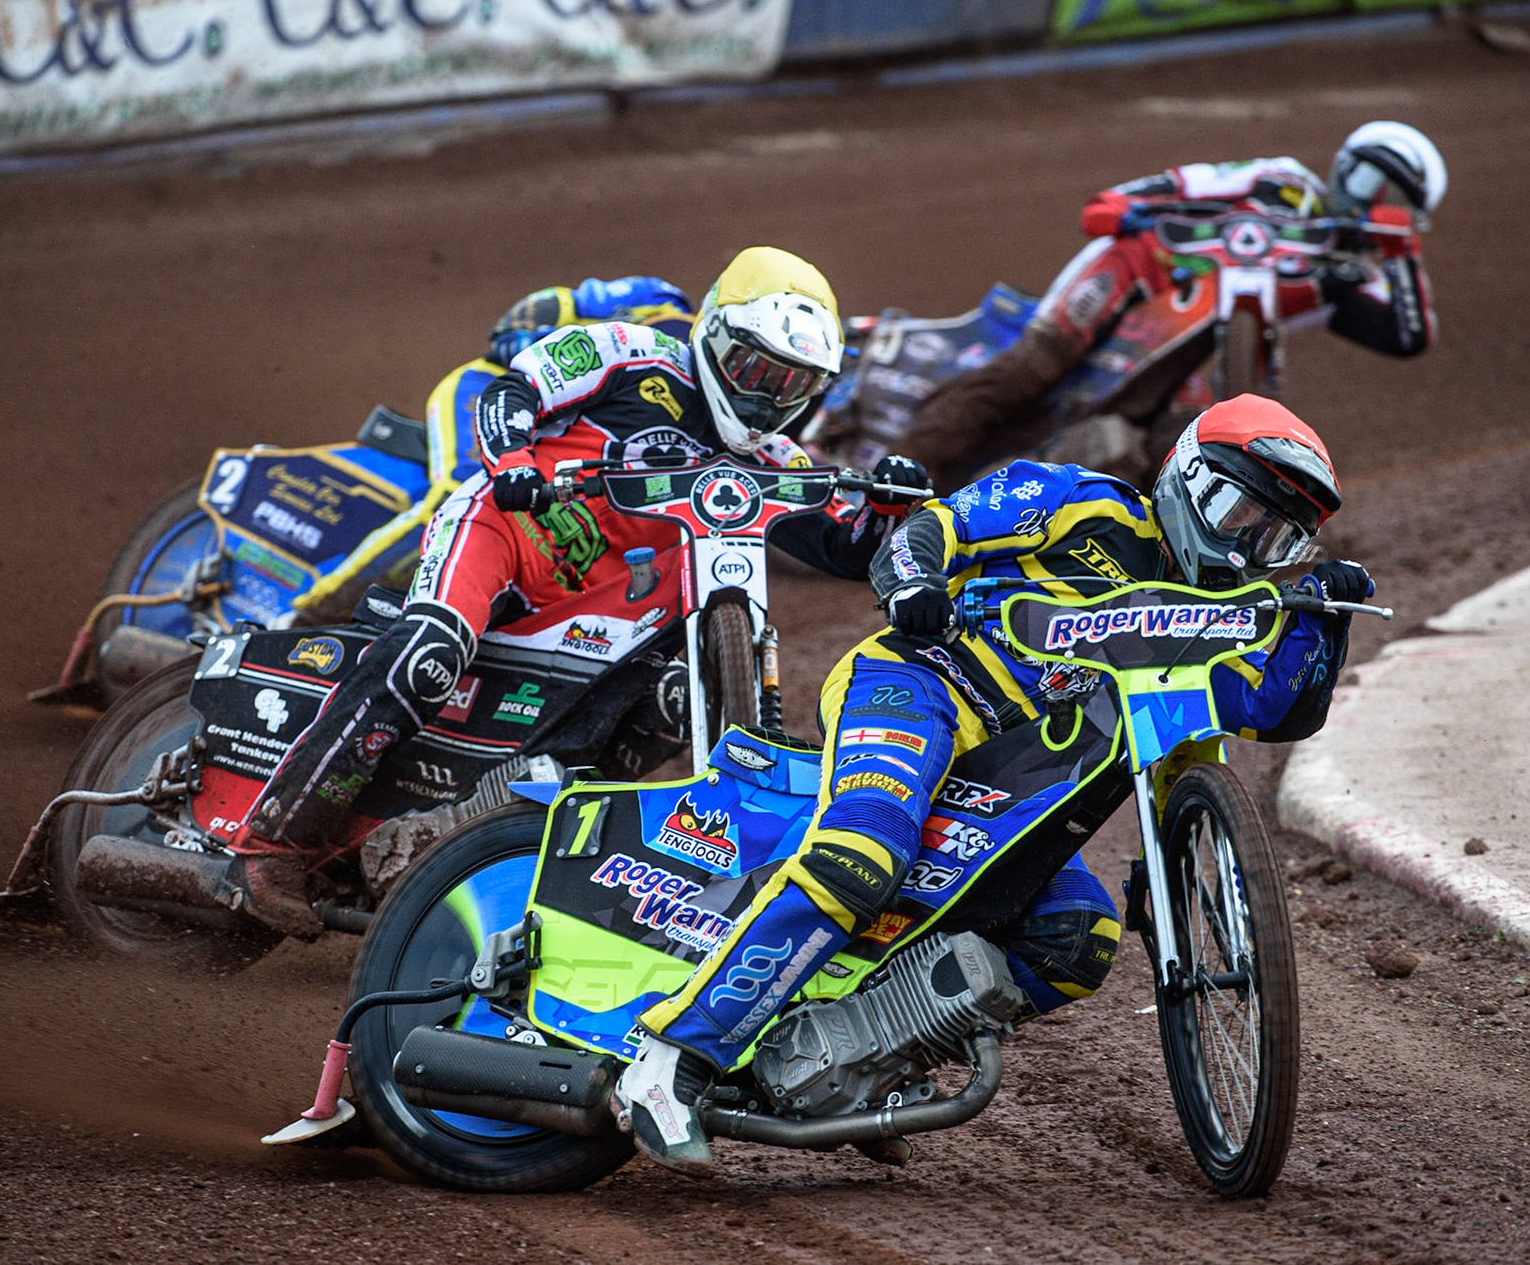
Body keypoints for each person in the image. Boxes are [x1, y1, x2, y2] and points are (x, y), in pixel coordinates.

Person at [611, 393, 1374, 1169]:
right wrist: (912, 582)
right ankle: (672, 1063)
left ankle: (855, 1066)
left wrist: (1322, 619)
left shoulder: (1222, 610)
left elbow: (1272, 709)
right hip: (919, 686)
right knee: (863, 854)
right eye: (1237, 510)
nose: (1246, 545)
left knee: (1078, 937)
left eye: (1275, 536)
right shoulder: (1078, 500)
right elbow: (934, 526)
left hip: (1014, 776)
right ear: (1185, 474)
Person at [230, 248, 931, 938]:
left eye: (793, 387)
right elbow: (513, 391)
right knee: (428, 655)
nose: (766, 399)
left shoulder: (773, 462)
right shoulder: (630, 352)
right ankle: (274, 843)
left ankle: (498, 835)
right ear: (715, 335)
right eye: (756, 372)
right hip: (507, 532)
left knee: (668, 702)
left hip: (602, 605)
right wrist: (510, 464)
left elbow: (848, 545)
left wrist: (893, 508)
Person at [898, 121, 1445, 487]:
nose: (1378, 205)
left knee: (1175, 448)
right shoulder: (1278, 182)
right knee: (1026, 375)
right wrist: (1130, 212)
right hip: (1128, 276)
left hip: (1185, 347)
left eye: (1398, 203)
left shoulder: (1342, 275)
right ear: (1351, 165)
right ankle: (885, 493)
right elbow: (1112, 206)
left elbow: (1407, 337)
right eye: (1379, 184)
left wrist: (1404, 253)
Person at [289, 277, 697, 625]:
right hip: (500, 390)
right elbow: (540, 310)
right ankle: (310, 614)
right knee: (462, 487)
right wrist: (531, 345)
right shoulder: (656, 298)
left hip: (556, 431)